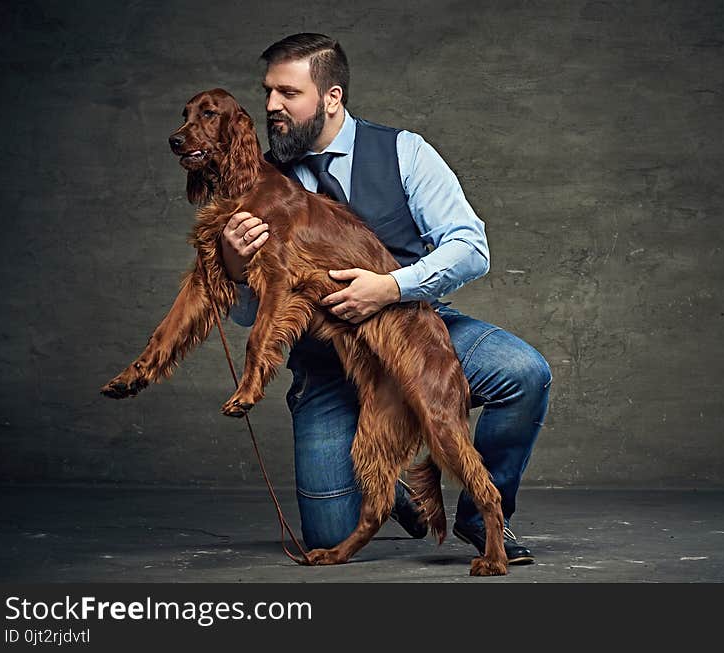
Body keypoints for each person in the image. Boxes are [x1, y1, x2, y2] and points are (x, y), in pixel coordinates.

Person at [221, 33, 551, 564]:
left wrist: (391, 287)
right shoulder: (260, 181)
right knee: (329, 533)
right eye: (267, 93)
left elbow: (471, 247)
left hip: (415, 333)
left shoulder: (404, 151)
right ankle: (395, 483)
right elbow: (244, 317)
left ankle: (479, 516)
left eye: (287, 93)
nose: (271, 108)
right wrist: (236, 269)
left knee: (524, 371)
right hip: (327, 366)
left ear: (332, 97)